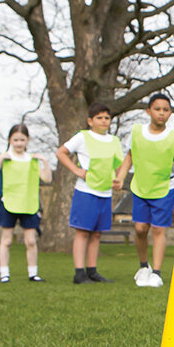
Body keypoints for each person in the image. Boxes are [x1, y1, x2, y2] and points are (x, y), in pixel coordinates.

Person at [114, 93, 174, 288]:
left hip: (165, 188)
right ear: (148, 111)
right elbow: (129, 156)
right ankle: (143, 267)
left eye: (166, 110)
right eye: (157, 109)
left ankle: (156, 272)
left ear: (170, 113)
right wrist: (120, 178)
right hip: (141, 187)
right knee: (139, 229)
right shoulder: (136, 132)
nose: (161, 113)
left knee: (158, 229)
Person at [56, 103, 124, 284]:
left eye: (107, 118)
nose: (103, 121)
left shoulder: (114, 141)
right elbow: (61, 153)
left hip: (105, 192)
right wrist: (77, 171)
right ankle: (79, 273)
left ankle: (92, 271)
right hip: (86, 191)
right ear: (90, 121)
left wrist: (119, 179)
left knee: (97, 233)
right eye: (99, 118)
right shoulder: (82, 137)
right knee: (83, 232)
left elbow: (119, 165)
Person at [0, 124, 52, 283]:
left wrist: (44, 161)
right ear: (10, 140)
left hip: (29, 204)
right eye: (15, 140)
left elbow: (47, 179)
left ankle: (33, 273)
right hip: (8, 202)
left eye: (22, 139)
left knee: (30, 241)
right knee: (6, 240)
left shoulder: (32, 160)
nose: (19, 143)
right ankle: (4, 274)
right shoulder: (5, 158)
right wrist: (0, 158)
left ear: (27, 140)